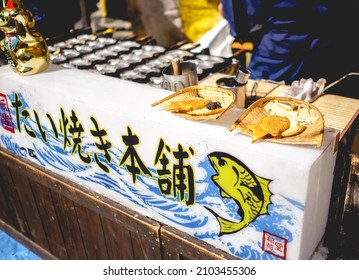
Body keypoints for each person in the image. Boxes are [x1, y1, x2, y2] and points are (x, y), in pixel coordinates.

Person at [220, 0, 358, 98]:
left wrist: (230, 14)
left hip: (281, 48)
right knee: (326, 110)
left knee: (259, 105)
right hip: (339, 43)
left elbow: (240, 18)